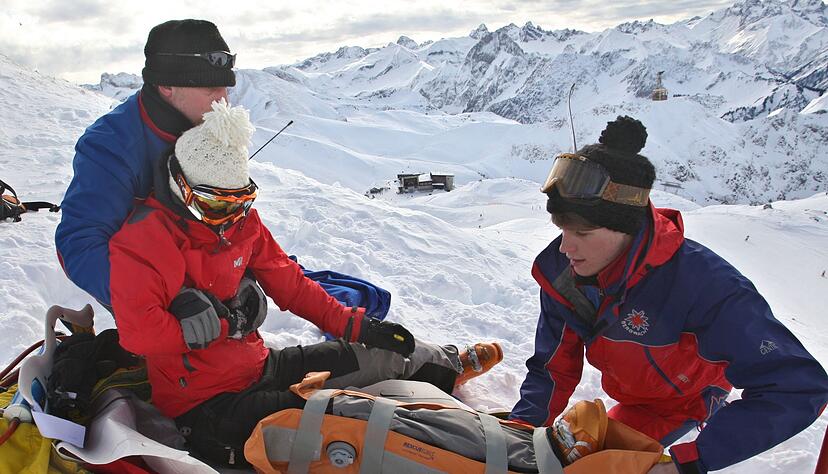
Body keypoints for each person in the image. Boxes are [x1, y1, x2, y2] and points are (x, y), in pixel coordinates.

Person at [108, 99, 504, 467]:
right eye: (215, 205)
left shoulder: (242, 224)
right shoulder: (142, 241)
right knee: (344, 422)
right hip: (208, 406)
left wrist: (359, 326)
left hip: (260, 366)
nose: (229, 218)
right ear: (182, 188)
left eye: (240, 203)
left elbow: (292, 285)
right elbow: (139, 335)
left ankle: (448, 366)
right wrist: (227, 324)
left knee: (375, 355)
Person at [509, 116, 828, 474]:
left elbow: (796, 387)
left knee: (599, 467)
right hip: (633, 390)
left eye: (582, 233)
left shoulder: (704, 286)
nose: (565, 247)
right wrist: (521, 432)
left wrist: (688, 463)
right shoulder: (564, 272)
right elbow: (552, 367)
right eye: (562, 229)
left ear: (626, 229)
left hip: (682, 400)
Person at [56, 19, 234, 309]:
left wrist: (246, 273)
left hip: (202, 279)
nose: (223, 101)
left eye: (226, 88)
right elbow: (80, 244)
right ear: (166, 85)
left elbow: (235, 221)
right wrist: (158, 300)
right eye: (212, 89)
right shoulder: (111, 145)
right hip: (145, 289)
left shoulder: (207, 128)